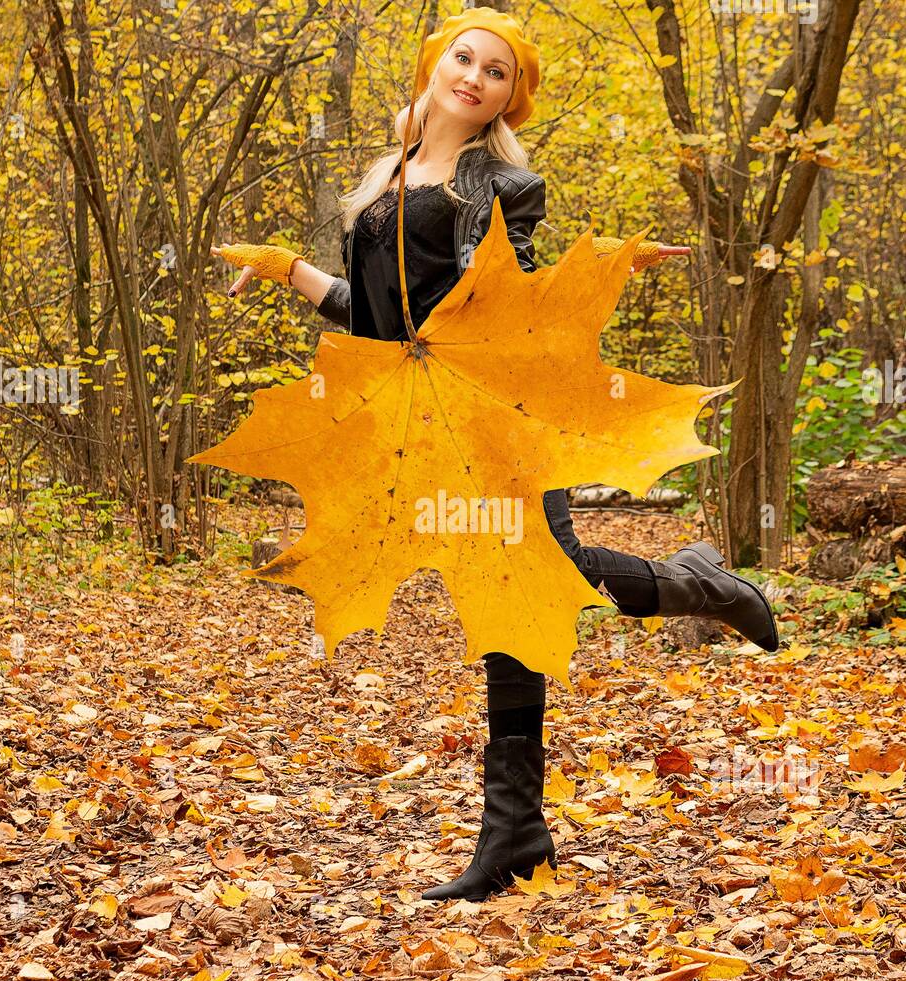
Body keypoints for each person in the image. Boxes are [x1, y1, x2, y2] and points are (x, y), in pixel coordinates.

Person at [212, 7, 779, 903]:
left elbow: (515, 313)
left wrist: (605, 270)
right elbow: (375, 327)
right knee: (512, 599)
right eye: (465, 57)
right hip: (423, 424)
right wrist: (289, 267)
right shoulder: (385, 180)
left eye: (499, 72)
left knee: (542, 579)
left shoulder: (502, 188)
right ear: (436, 64)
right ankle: (520, 827)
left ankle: (704, 590)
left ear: (510, 98)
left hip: (497, 417)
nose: (475, 75)